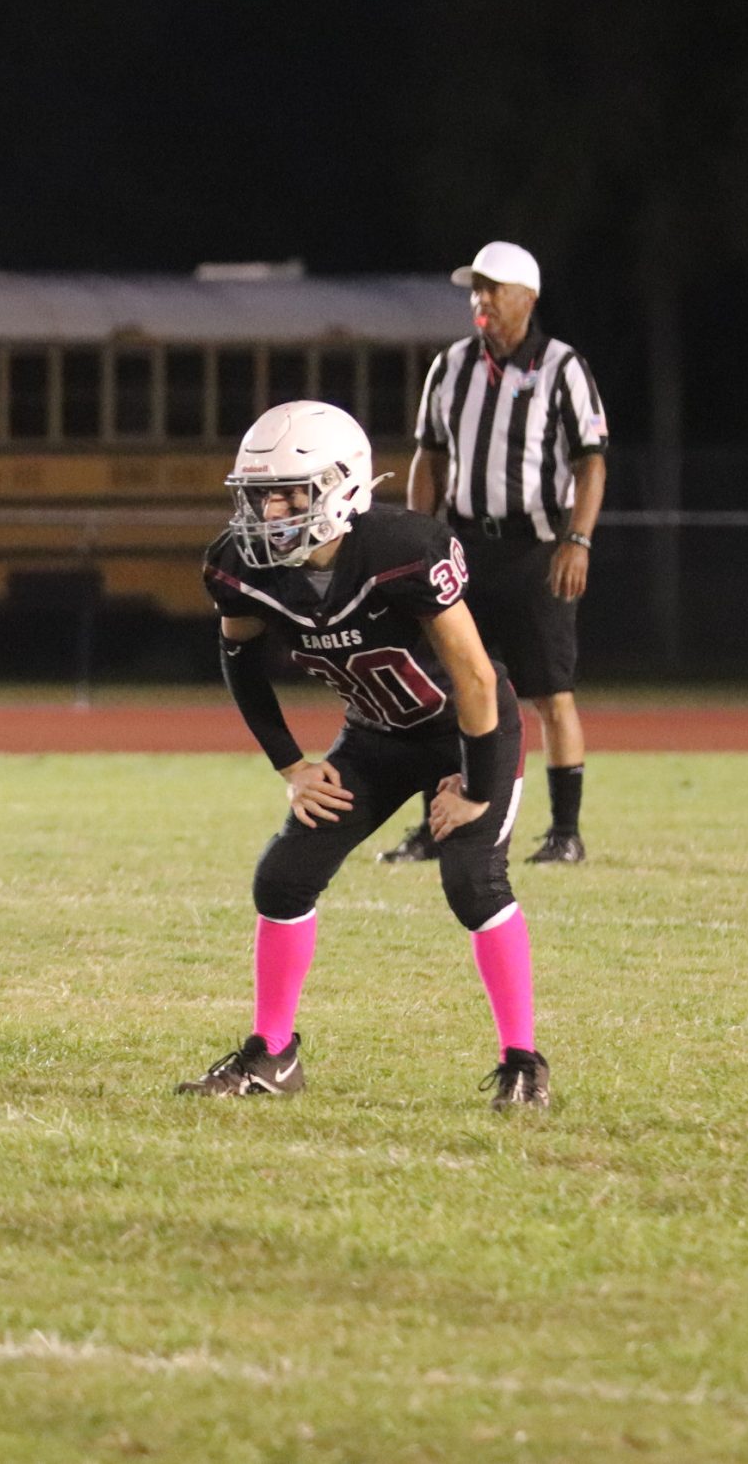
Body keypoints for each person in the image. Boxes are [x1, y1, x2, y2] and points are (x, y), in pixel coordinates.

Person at [180, 401, 550, 1110]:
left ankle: (523, 1062)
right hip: (377, 735)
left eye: (287, 492)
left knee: (473, 883)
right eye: (258, 496)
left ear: (341, 487)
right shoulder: (242, 567)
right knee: (283, 877)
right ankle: (272, 1054)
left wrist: (474, 784)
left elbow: (475, 677)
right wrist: (292, 764)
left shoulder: (401, 549)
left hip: (465, 731)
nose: (267, 511)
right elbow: (240, 659)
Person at [381, 240, 607, 866]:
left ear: (527, 298)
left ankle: (565, 833)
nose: (480, 299)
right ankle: (437, 825)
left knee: (551, 693)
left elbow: (591, 463)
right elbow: (430, 457)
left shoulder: (563, 367)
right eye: (475, 288)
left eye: (493, 288)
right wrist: (417, 537)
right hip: (462, 549)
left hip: (536, 550)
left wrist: (577, 539)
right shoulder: (450, 366)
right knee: (443, 691)